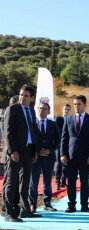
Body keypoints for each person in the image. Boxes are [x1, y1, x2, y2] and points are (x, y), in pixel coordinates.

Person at [3, 85, 41, 222]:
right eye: (21, 95)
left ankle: (25, 211)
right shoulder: (12, 109)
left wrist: (35, 150)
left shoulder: (31, 111)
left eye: (25, 96)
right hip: (16, 152)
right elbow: (7, 132)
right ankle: (9, 212)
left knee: (25, 183)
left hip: (28, 151)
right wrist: (12, 150)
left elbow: (33, 131)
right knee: (11, 182)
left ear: (32, 98)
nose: (22, 98)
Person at [60, 95, 89, 213]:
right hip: (71, 156)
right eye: (75, 104)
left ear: (85, 105)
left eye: (79, 104)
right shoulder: (69, 119)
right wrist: (63, 154)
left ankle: (84, 205)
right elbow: (64, 138)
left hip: (85, 157)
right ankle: (71, 205)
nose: (76, 106)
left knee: (84, 182)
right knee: (71, 182)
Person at [29, 102, 61, 213]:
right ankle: (33, 205)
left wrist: (50, 150)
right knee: (33, 182)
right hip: (35, 158)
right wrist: (36, 151)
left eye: (44, 108)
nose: (41, 110)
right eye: (40, 108)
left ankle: (47, 203)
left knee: (47, 182)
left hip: (49, 158)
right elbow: (30, 140)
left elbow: (57, 140)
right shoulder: (32, 123)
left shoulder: (53, 124)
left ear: (49, 111)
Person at [0, 96, 20, 218]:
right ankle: (5, 207)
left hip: (18, 154)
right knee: (8, 182)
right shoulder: (5, 118)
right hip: (9, 154)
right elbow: (7, 137)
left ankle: (14, 204)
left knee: (16, 182)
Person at [55, 104, 71, 190]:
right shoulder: (58, 119)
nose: (66, 111)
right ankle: (57, 182)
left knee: (66, 164)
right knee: (59, 164)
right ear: (62, 110)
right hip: (59, 145)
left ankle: (63, 181)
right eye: (65, 109)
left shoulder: (71, 119)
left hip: (68, 146)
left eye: (68, 109)